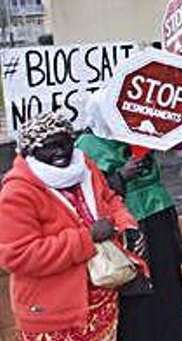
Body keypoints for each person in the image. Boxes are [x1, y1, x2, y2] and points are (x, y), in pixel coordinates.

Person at [0, 112, 145, 341]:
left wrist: (125, 223)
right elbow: (18, 256)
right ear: (30, 152)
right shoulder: (17, 192)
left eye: (64, 143)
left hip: (102, 299)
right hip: (54, 313)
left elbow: (109, 199)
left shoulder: (84, 166)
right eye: (48, 147)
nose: (59, 152)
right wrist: (87, 238)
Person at [77, 94, 182, 341]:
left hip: (158, 217)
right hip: (125, 227)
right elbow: (87, 195)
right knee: (136, 291)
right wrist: (121, 176)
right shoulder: (86, 146)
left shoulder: (138, 132)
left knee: (168, 285)